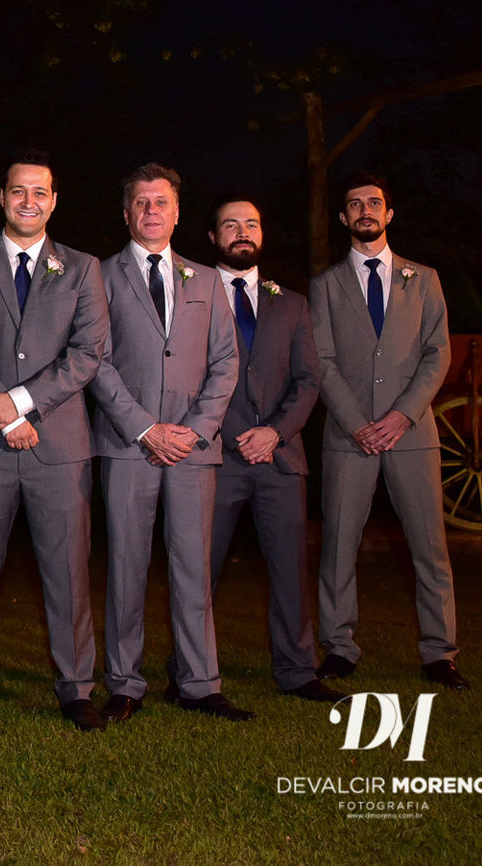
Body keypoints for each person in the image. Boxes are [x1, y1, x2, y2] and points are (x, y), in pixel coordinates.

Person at [0, 153, 111, 730]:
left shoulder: (83, 268)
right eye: (18, 191)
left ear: (54, 201)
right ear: (2, 197)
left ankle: (76, 687)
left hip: (58, 444)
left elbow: (88, 353)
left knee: (68, 573)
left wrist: (21, 402)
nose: (29, 201)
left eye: (39, 192)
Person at [87, 163, 245, 722]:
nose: (151, 211)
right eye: (141, 202)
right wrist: (145, 427)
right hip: (128, 444)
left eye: (161, 202)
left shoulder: (206, 280)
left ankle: (199, 682)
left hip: (193, 449)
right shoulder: (100, 276)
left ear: (177, 213)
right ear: (126, 213)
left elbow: (226, 362)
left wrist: (195, 429)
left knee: (193, 567)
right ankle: (125, 682)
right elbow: (95, 361)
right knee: (126, 566)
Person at [179, 198, 338, 704]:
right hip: (214, 457)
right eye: (230, 224)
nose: (242, 231)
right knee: (200, 571)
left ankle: (297, 670)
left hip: (280, 459)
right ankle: (189, 673)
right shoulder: (192, 296)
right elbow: (187, 379)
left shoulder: (291, 303)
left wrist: (275, 432)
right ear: (213, 237)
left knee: (290, 570)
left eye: (251, 223)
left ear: (262, 233)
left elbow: (308, 379)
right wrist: (231, 434)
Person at [309, 174, 463, 690]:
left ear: (389, 214)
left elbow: (438, 354)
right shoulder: (325, 285)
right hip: (348, 436)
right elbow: (322, 360)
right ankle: (339, 647)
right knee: (338, 546)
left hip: (412, 433)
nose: (365, 210)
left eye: (374, 202)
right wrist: (357, 423)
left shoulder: (425, 279)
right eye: (355, 204)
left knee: (430, 547)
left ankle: (439, 653)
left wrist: (402, 415)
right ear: (343, 218)